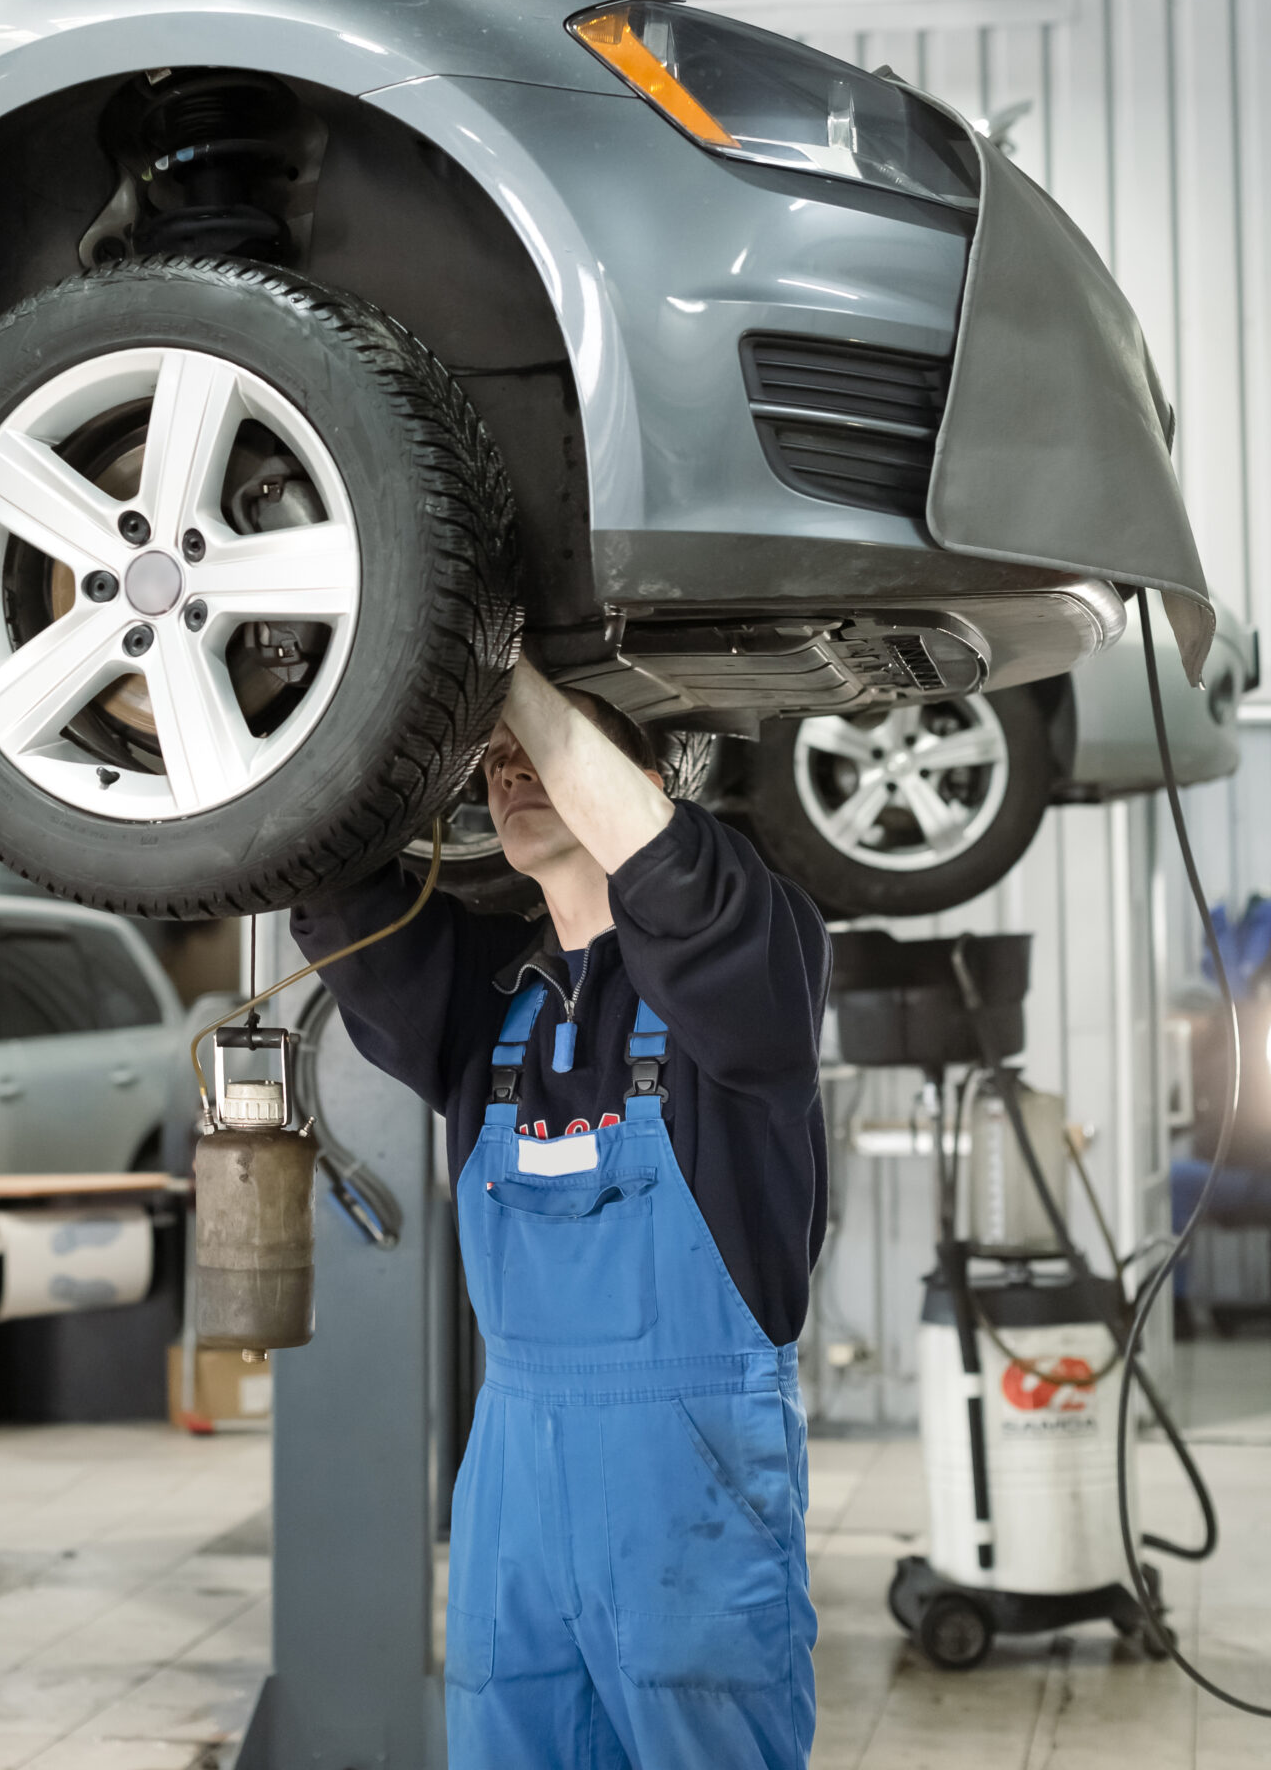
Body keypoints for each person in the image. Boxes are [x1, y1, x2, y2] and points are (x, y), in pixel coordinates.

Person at [291, 654, 831, 1770]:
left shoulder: (750, 963)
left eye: (535, 753)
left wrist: (503, 668)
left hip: (686, 1483)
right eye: (493, 764)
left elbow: (683, 885)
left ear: (640, 778)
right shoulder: (484, 1000)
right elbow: (329, 874)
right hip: (514, 1487)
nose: (510, 773)